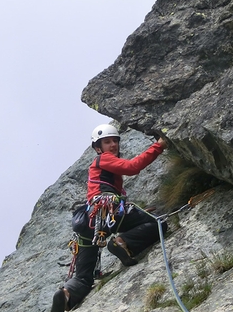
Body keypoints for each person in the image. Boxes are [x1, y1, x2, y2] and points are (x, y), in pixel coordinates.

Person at [51, 124, 168, 312]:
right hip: (106, 213)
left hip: (87, 222)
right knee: (157, 223)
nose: (113, 145)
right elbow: (133, 167)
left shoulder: (102, 166)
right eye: (107, 142)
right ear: (99, 148)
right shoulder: (103, 159)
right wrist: (160, 145)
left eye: (115, 140)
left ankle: (67, 295)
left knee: (83, 276)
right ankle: (122, 243)